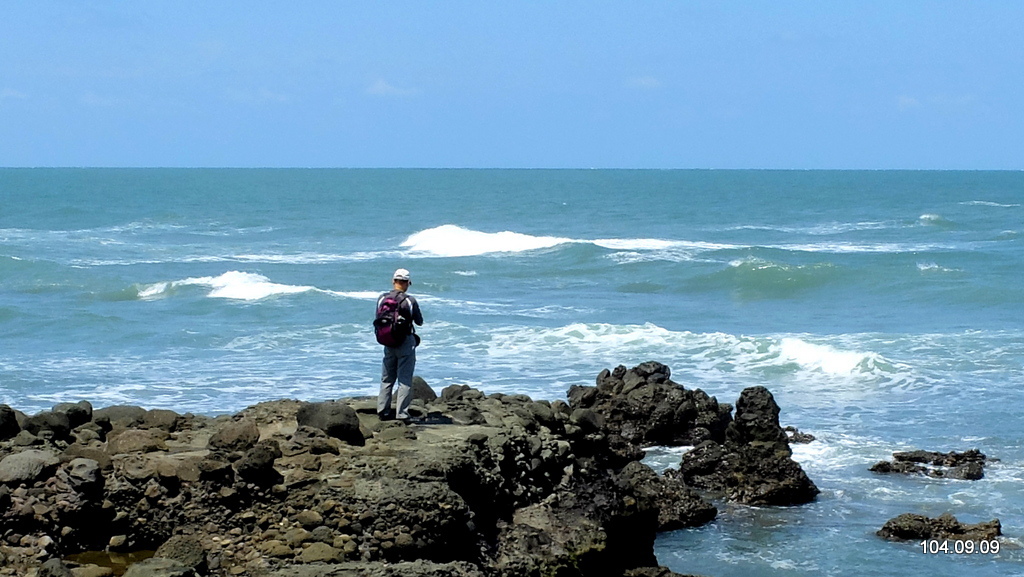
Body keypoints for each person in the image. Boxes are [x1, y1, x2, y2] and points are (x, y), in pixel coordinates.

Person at [376, 268, 423, 422]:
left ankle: (383, 410)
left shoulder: (382, 298)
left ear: (393, 281)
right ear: (408, 283)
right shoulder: (409, 301)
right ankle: (401, 414)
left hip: (387, 341)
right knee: (404, 379)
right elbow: (419, 321)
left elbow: (378, 318)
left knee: (387, 378)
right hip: (405, 342)